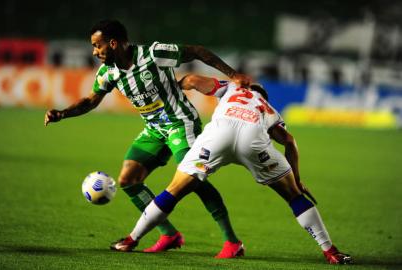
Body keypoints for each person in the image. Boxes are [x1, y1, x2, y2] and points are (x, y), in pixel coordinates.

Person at [44, 20, 251, 258]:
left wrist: (233, 75)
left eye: (97, 45)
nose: (94, 51)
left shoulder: (154, 54)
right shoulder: (108, 73)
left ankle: (232, 242)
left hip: (180, 124)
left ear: (113, 43)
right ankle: (169, 234)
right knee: (128, 180)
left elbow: (196, 51)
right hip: (154, 130)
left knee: (193, 179)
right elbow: (91, 100)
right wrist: (62, 113)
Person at [111, 75, 353, 264]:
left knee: (173, 191)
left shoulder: (231, 88)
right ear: (263, 96)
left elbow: (193, 81)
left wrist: (176, 87)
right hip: (253, 140)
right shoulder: (268, 109)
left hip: (218, 137)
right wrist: (297, 180)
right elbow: (289, 141)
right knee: (294, 198)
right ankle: (331, 251)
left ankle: (131, 240)